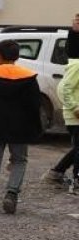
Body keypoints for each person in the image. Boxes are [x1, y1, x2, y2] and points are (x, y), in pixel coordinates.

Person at [0, 40, 43, 214]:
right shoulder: (29, 77)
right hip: (20, 126)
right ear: (17, 56)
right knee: (19, 160)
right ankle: (12, 193)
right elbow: (35, 104)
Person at [42, 14, 79, 189]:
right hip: (75, 114)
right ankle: (72, 179)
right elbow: (64, 88)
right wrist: (74, 107)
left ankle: (57, 172)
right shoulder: (76, 65)